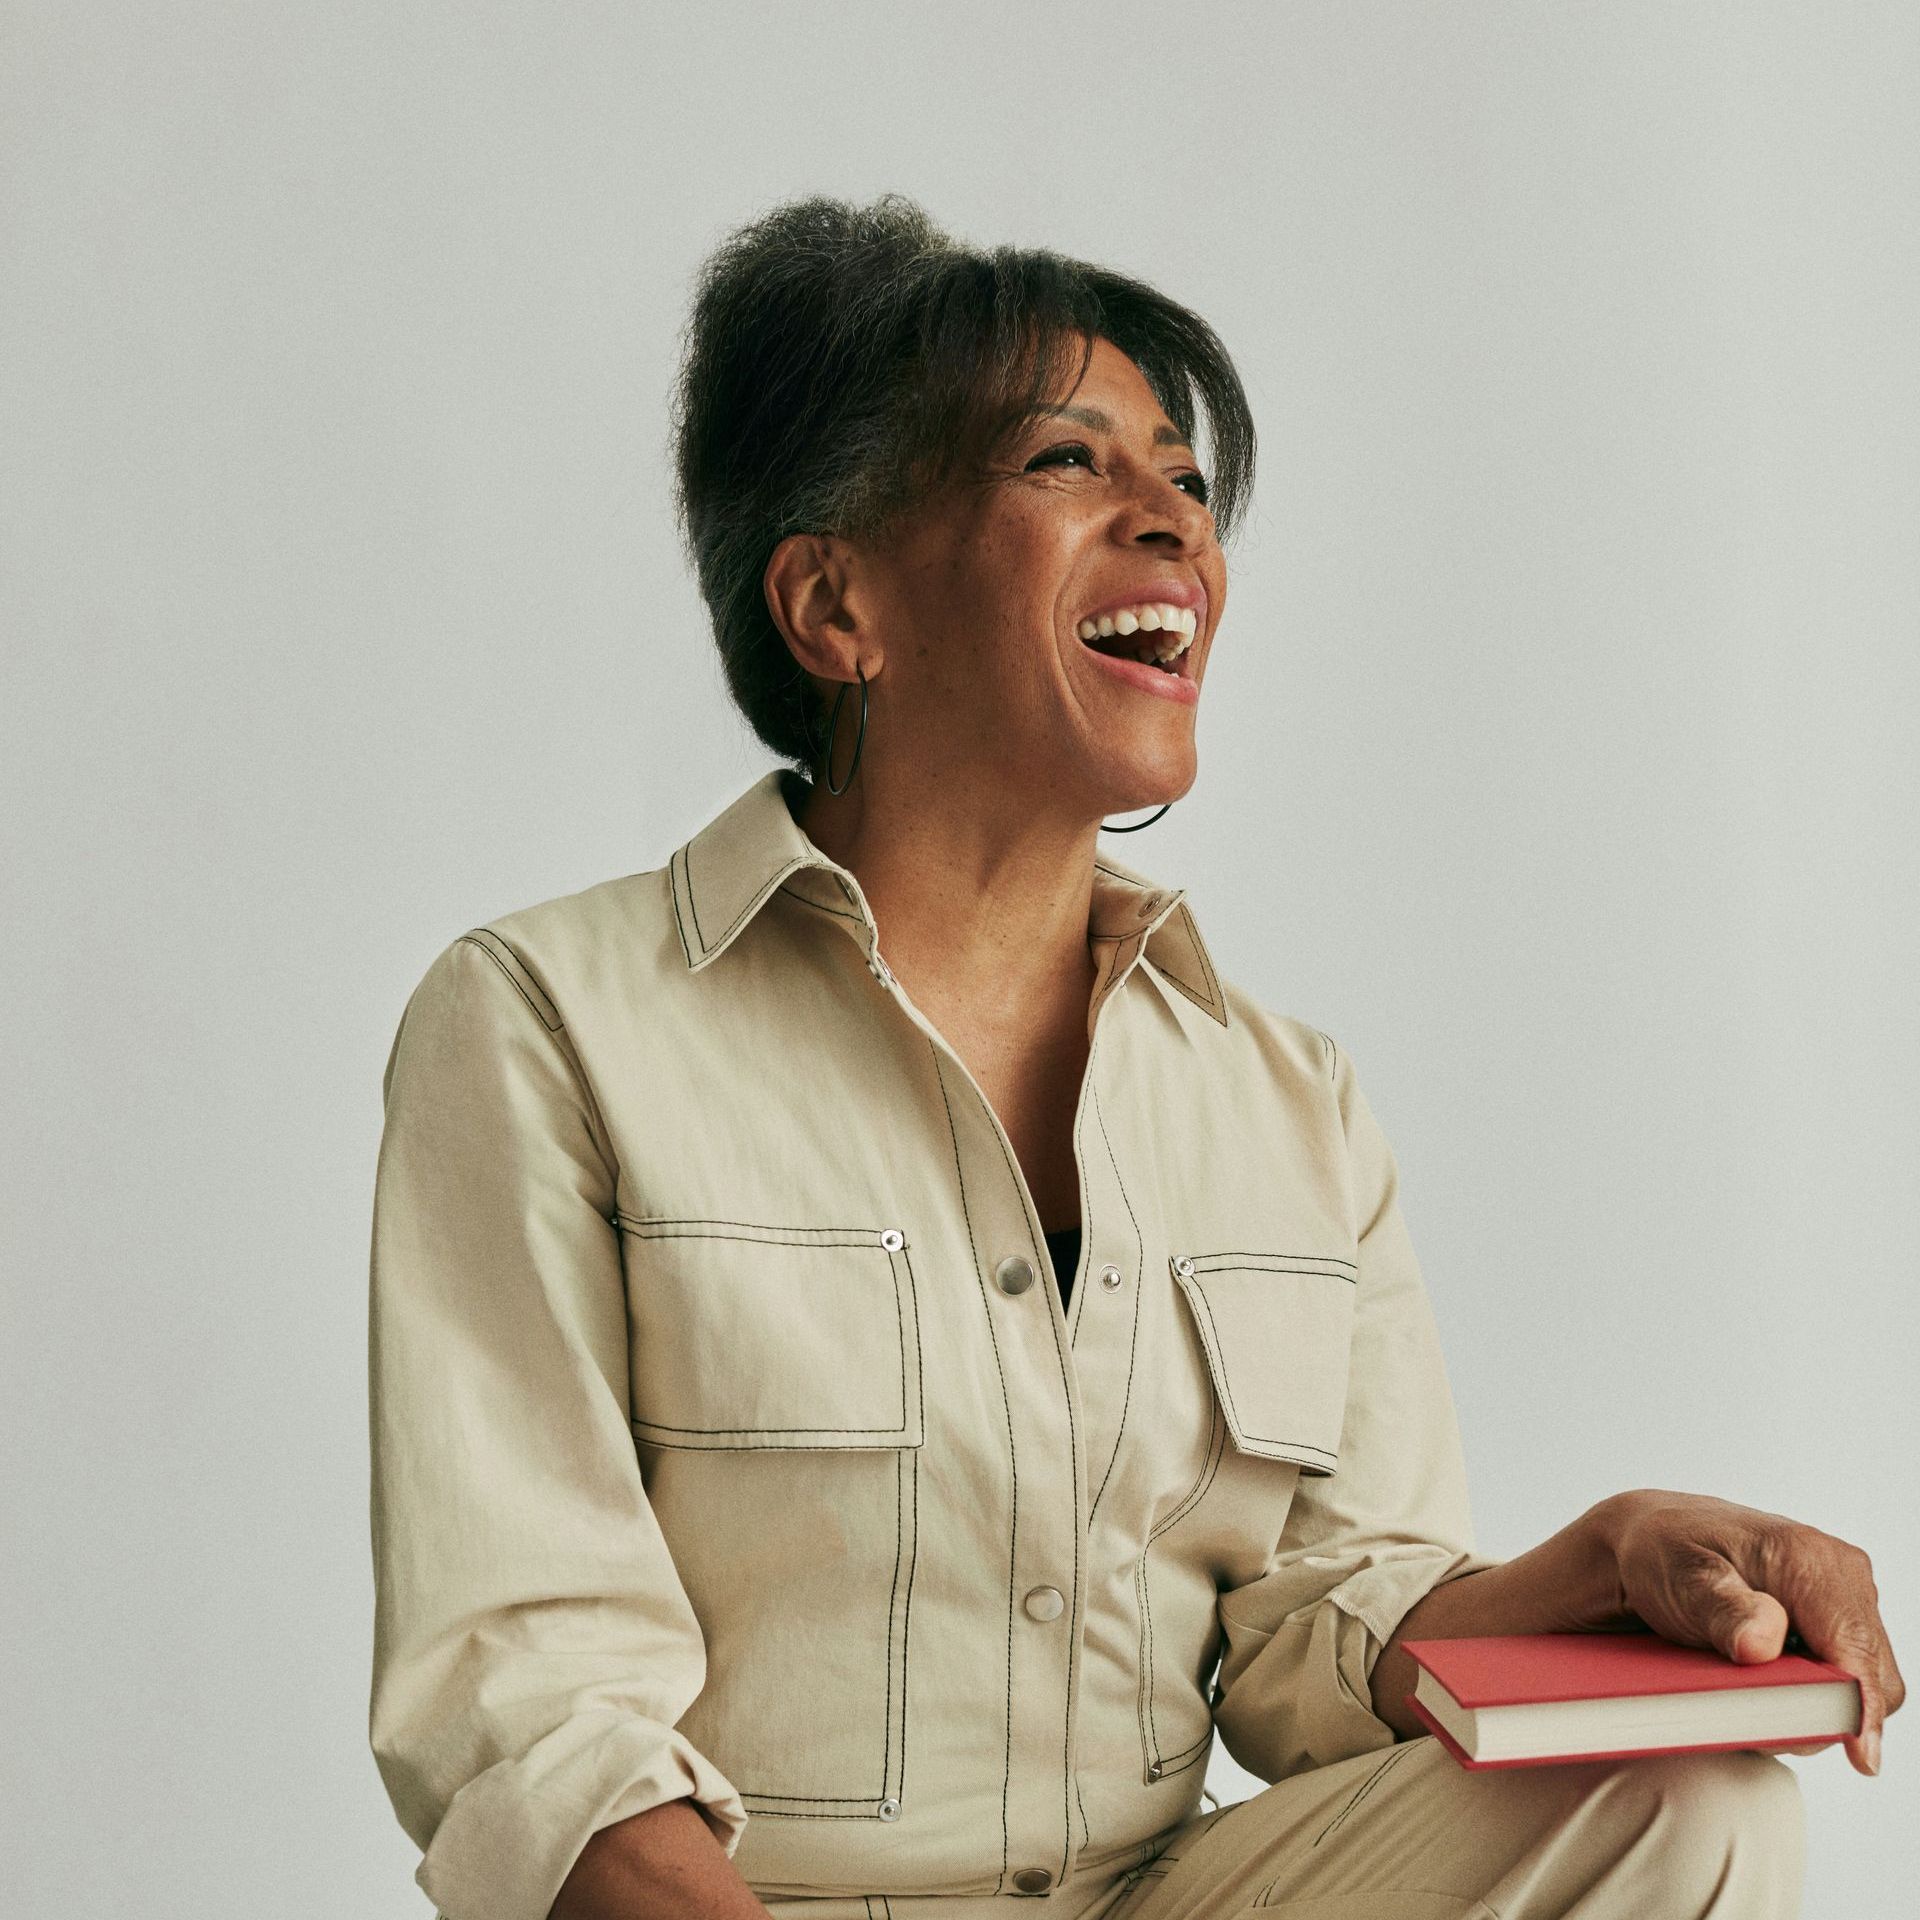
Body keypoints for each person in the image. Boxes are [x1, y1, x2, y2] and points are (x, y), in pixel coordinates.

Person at [366, 194, 1901, 1920]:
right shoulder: (544, 1028)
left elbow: (1314, 1637)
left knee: (1690, 1806)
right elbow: (535, 1719)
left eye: (1183, 477)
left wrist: (1604, 1555)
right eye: (1066, 464)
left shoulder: (1284, 1097)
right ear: (833, 601)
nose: (1172, 521)